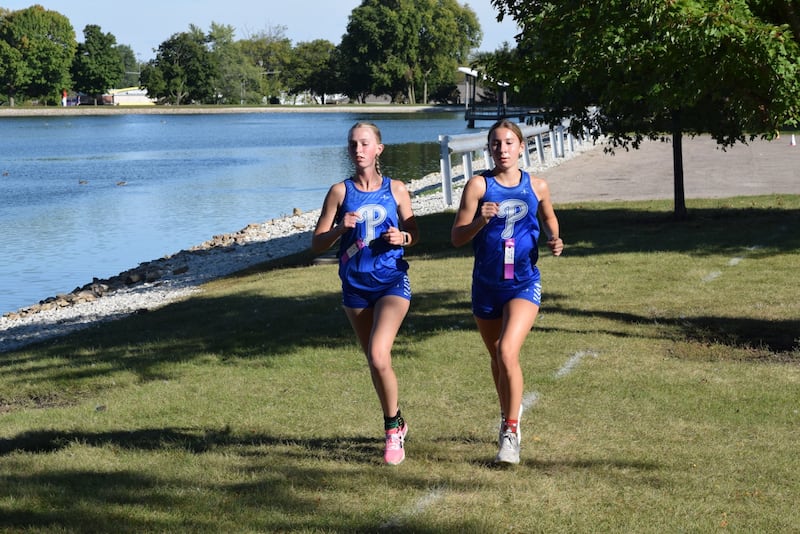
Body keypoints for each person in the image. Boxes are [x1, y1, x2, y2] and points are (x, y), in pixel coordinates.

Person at [451, 119, 563, 465]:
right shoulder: (478, 186)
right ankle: (507, 415)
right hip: (486, 286)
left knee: (506, 350)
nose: (502, 149)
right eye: (496, 144)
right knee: (497, 358)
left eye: (509, 143)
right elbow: (456, 237)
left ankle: (511, 433)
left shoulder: (537, 185)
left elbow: (549, 217)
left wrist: (554, 238)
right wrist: (480, 221)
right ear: (489, 149)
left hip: (523, 283)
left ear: (521, 147)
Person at [311, 122, 419, 465]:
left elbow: (414, 232)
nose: (358, 150)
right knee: (375, 362)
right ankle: (397, 418)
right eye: (353, 144)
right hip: (355, 287)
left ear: (379, 149)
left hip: (391, 282)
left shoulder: (396, 189)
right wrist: (339, 229)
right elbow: (316, 243)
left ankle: (391, 431)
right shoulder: (339, 192)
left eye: (365, 143)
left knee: (377, 354)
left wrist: (403, 238)